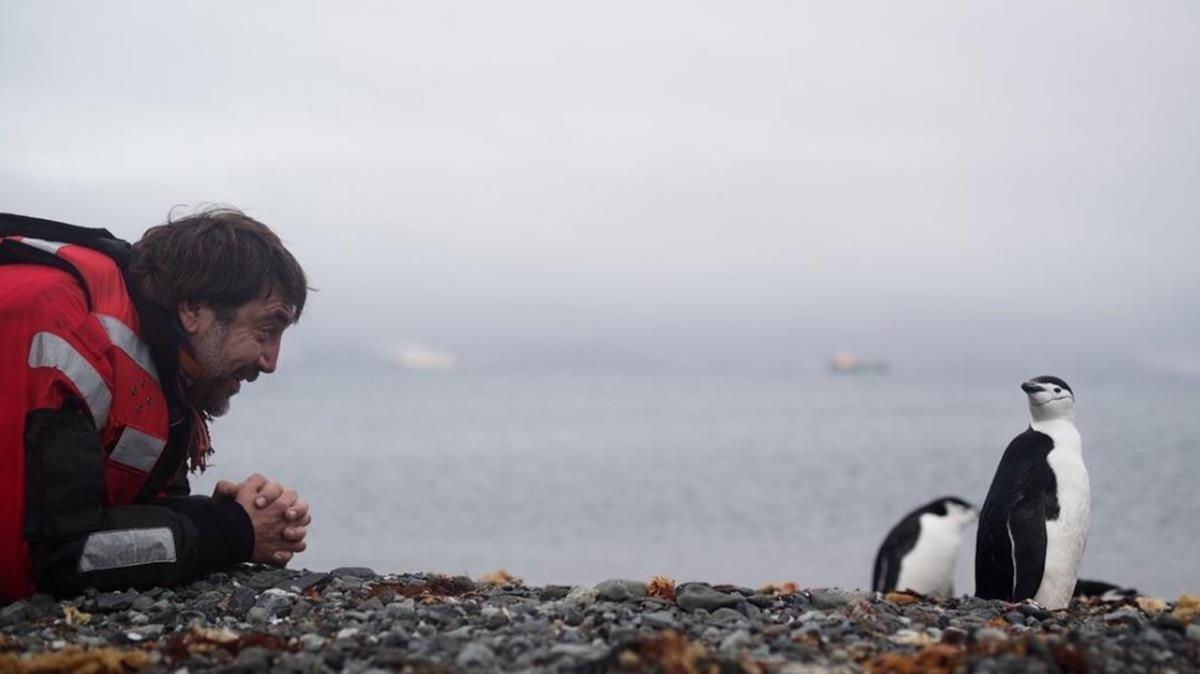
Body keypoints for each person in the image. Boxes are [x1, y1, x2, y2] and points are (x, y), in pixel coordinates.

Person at [0, 208, 312, 601]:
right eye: (266, 330)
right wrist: (229, 532)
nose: (271, 362)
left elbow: (123, 511)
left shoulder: (164, 369)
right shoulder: (60, 326)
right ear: (194, 309)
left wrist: (214, 515)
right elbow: (58, 557)